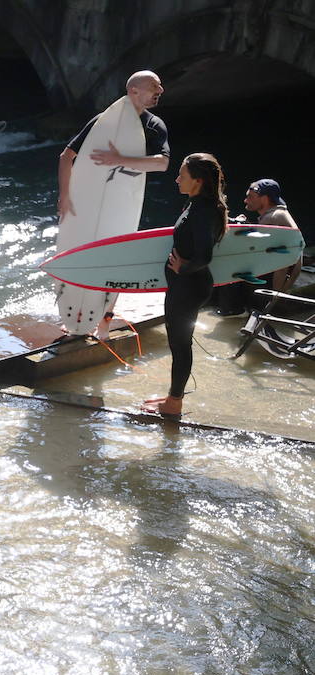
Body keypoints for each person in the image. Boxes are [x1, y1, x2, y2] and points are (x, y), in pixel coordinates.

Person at [58, 70, 170, 339]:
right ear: (134, 91)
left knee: (118, 258)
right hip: (89, 200)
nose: (161, 90)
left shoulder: (154, 125)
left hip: (122, 203)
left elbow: (162, 163)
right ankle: (77, 314)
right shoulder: (102, 121)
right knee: (83, 247)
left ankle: (104, 322)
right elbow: (67, 155)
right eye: (154, 86)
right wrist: (65, 195)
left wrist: (118, 159)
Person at [142, 153, 227, 418]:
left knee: (180, 348)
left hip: (188, 288)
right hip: (186, 287)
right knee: (179, 345)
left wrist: (182, 268)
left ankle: (174, 404)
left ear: (198, 181)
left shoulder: (202, 211)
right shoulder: (200, 204)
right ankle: (172, 396)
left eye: (183, 175)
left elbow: (205, 256)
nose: (177, 179)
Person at [214, 178, 301, 316]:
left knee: (229, 266)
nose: (245, 200)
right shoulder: (279, 214)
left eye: (250, 197)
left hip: (273, 286)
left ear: (265, 199)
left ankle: (233, 310)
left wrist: (234, 224)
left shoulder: (272, 217)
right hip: (281, 277)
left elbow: (250, 249)